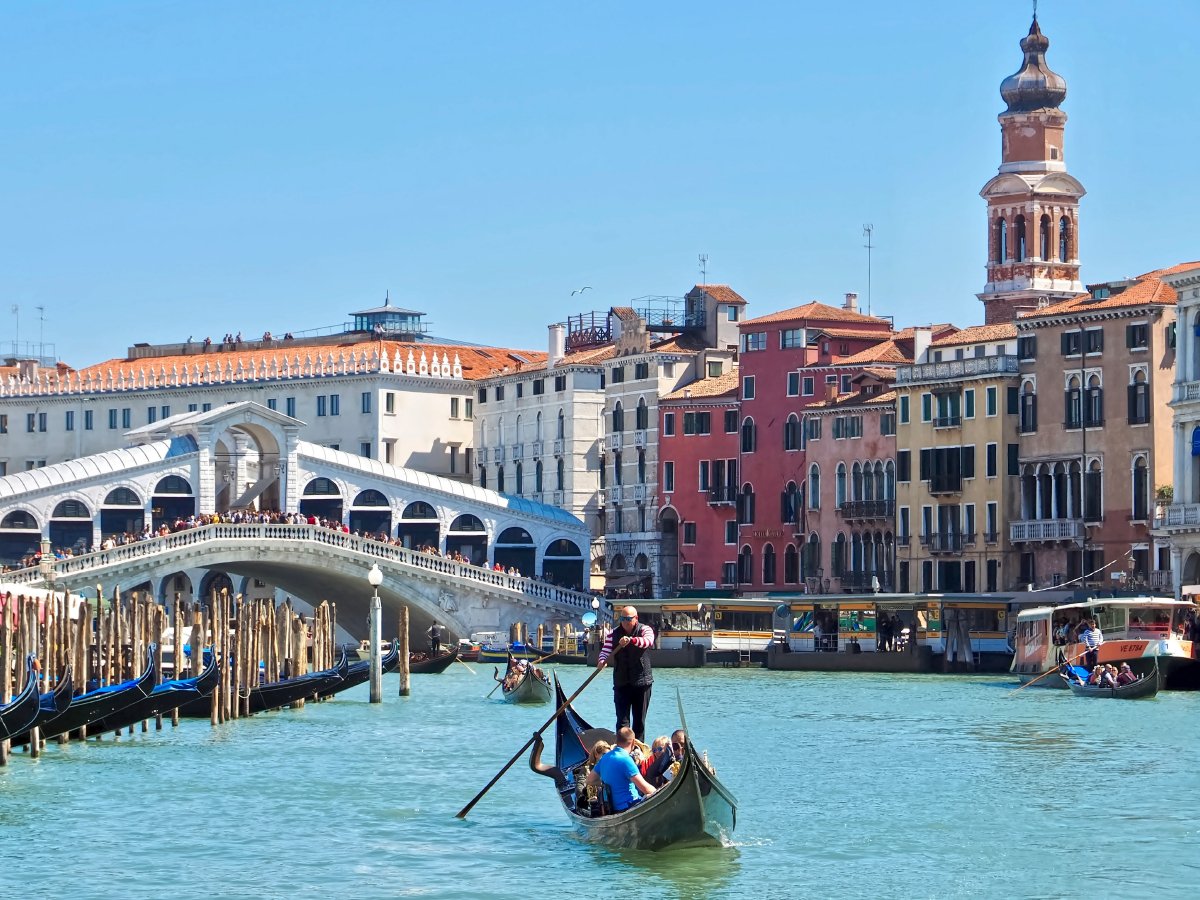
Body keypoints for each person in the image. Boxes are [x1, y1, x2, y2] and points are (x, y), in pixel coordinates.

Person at [597, 605, 655, 742]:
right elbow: (605, 651)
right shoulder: (613, 634)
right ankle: (623, 749)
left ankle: (639, 751)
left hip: (642, 683)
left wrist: (631, 640)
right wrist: (602, 661)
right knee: (622, 722)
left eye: (628, 618)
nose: (625, 621)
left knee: (639, 722)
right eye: (622, 618)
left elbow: (647, 642)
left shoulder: (645, 629)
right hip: (621, 683)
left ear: (636, 619)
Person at [586, 727, 656, 813]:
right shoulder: (626, 760)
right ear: (633, 742)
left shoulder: (604, 757)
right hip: (629, 806)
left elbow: (590, 780)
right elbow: (646, 789)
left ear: (617, 741)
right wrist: (660, 791)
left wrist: (609, 783)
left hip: (612, 808)